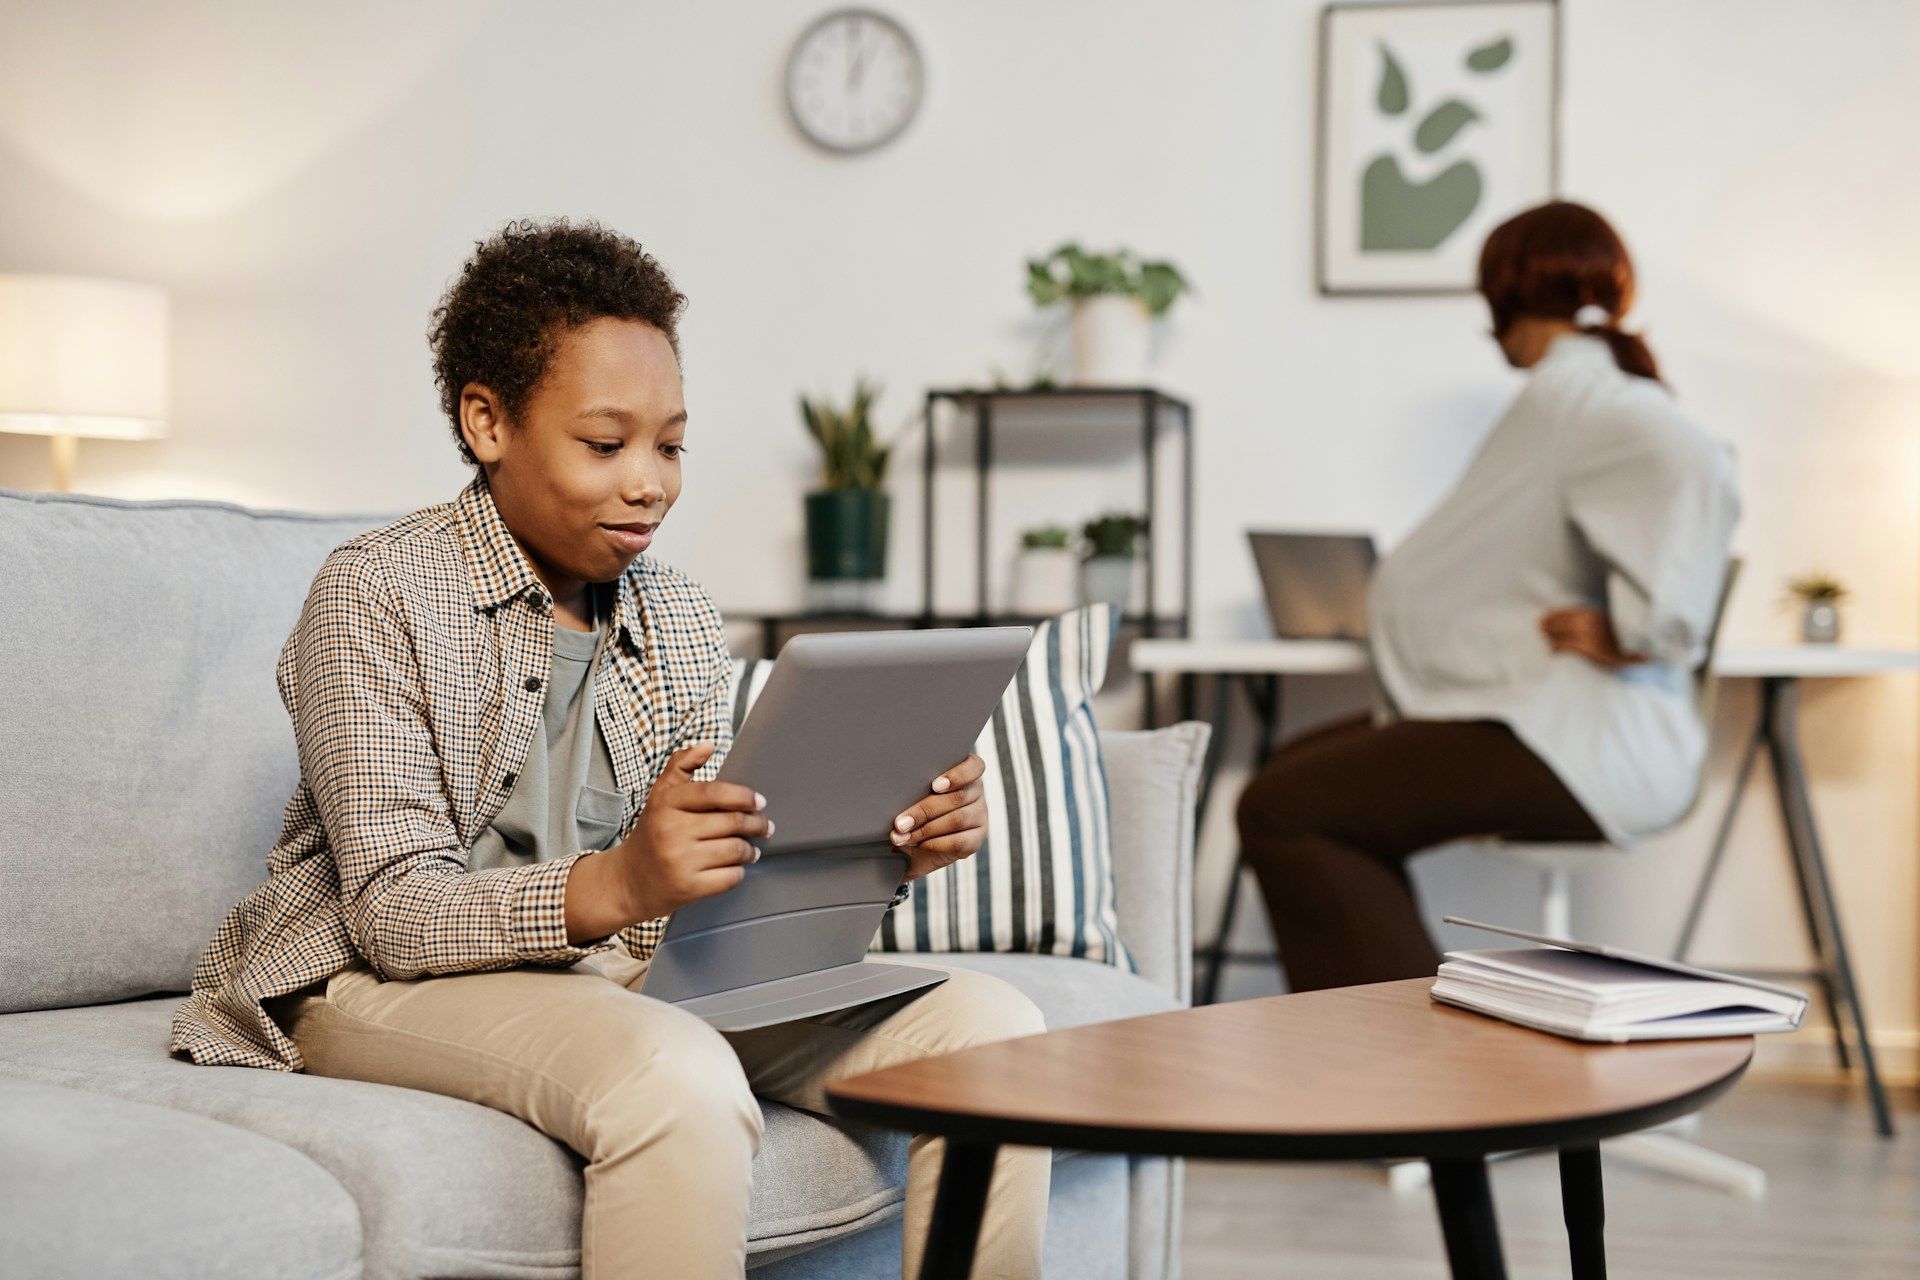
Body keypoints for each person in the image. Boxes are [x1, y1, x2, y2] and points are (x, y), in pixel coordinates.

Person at [170, 219, 1049, 1279]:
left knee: (997, 1033)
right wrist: (623, 878)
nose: (650, 482)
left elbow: (712, 878)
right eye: (606, 443)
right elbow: (393, 911)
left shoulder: (673, 611)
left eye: (671, 445)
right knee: (674, 1073)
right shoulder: (376, 591)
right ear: (487, 421)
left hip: (622, 968)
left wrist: (881, 839)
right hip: (373, 978)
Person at [1236, 200, 1740, 993]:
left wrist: (1646, 630)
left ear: (1504, 293)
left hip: (1579, 740)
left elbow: (1692, 461)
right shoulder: (1569, 395)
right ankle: (1403, 1051)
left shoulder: (1591, 398)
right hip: (1539, 714)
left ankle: (1407, 1076)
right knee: (1293, 775)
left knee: (1286, 807)